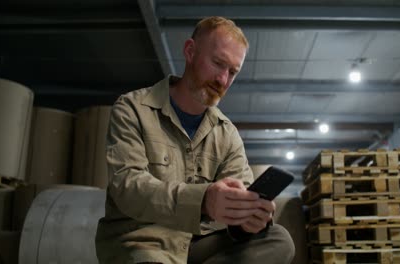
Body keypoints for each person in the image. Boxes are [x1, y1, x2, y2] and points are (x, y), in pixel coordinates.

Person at [95, 16, 295, 264]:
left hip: (197, 244)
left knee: (278, 240)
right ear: (190, 51)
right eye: (218, 63)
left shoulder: (227, 134)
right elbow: (127, 188)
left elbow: (240, 198)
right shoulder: (133, 108)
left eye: (232, 72)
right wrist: (203, 200)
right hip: (143, 242)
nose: (223, 80)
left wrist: (248, 219)